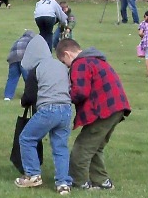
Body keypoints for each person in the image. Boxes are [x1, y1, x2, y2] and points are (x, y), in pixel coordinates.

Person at [56, 38, 131, 189]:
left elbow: (80, 91)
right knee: (95, 146)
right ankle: (102, 181)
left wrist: (62, 96)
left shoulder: (80, 64)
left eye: (64, 62)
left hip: (103, 109)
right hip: (117, 107)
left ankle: (79, 182)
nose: (66, 67)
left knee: (82, 147)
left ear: (67, 54)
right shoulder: (95, 60)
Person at [14, 35, 73, 195]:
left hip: (48, 110)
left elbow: (29, 97)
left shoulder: (36, 69)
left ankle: (33, 175)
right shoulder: (61, 66)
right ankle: (63, 183)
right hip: (66, 109)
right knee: (60, 146)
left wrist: (22, 102)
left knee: (27, 138)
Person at [4, 30, 34, 101]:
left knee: (12, 78)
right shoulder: (31, 41)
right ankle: (30, 95)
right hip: (24, 59)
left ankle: (8, 96)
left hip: (13, 59)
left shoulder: (18, 40)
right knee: (28, 79)